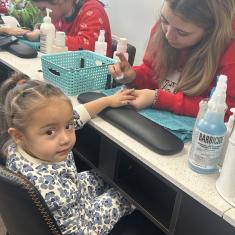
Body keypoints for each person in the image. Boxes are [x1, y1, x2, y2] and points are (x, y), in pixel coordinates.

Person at [0, 73, 136, 235]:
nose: (65, 138)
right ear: (19, 136)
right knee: (126, 194)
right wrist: (120, 201)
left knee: (105, 176)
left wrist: (108, 100)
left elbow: (76, 115)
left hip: (69, 192)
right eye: (50, 132)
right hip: (76, 222)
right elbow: (81, 230)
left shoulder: (19, 143)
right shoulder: (50, 188)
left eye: (68, 126)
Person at [109, 0, 235, 121]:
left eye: (182, 32)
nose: (168, 35)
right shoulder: (170, 25)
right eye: (164, 20)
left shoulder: (230, 52)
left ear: (210, 31)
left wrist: (159, 99)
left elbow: (226, 112)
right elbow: (153, 72)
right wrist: (134, 76)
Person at [25, 0, 113, 56]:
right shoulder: (60, 14)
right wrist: (41, 29)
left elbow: (88, 48)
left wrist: (48, 35)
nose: (42, 14)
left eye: (43, 9)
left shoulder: (93, 10)